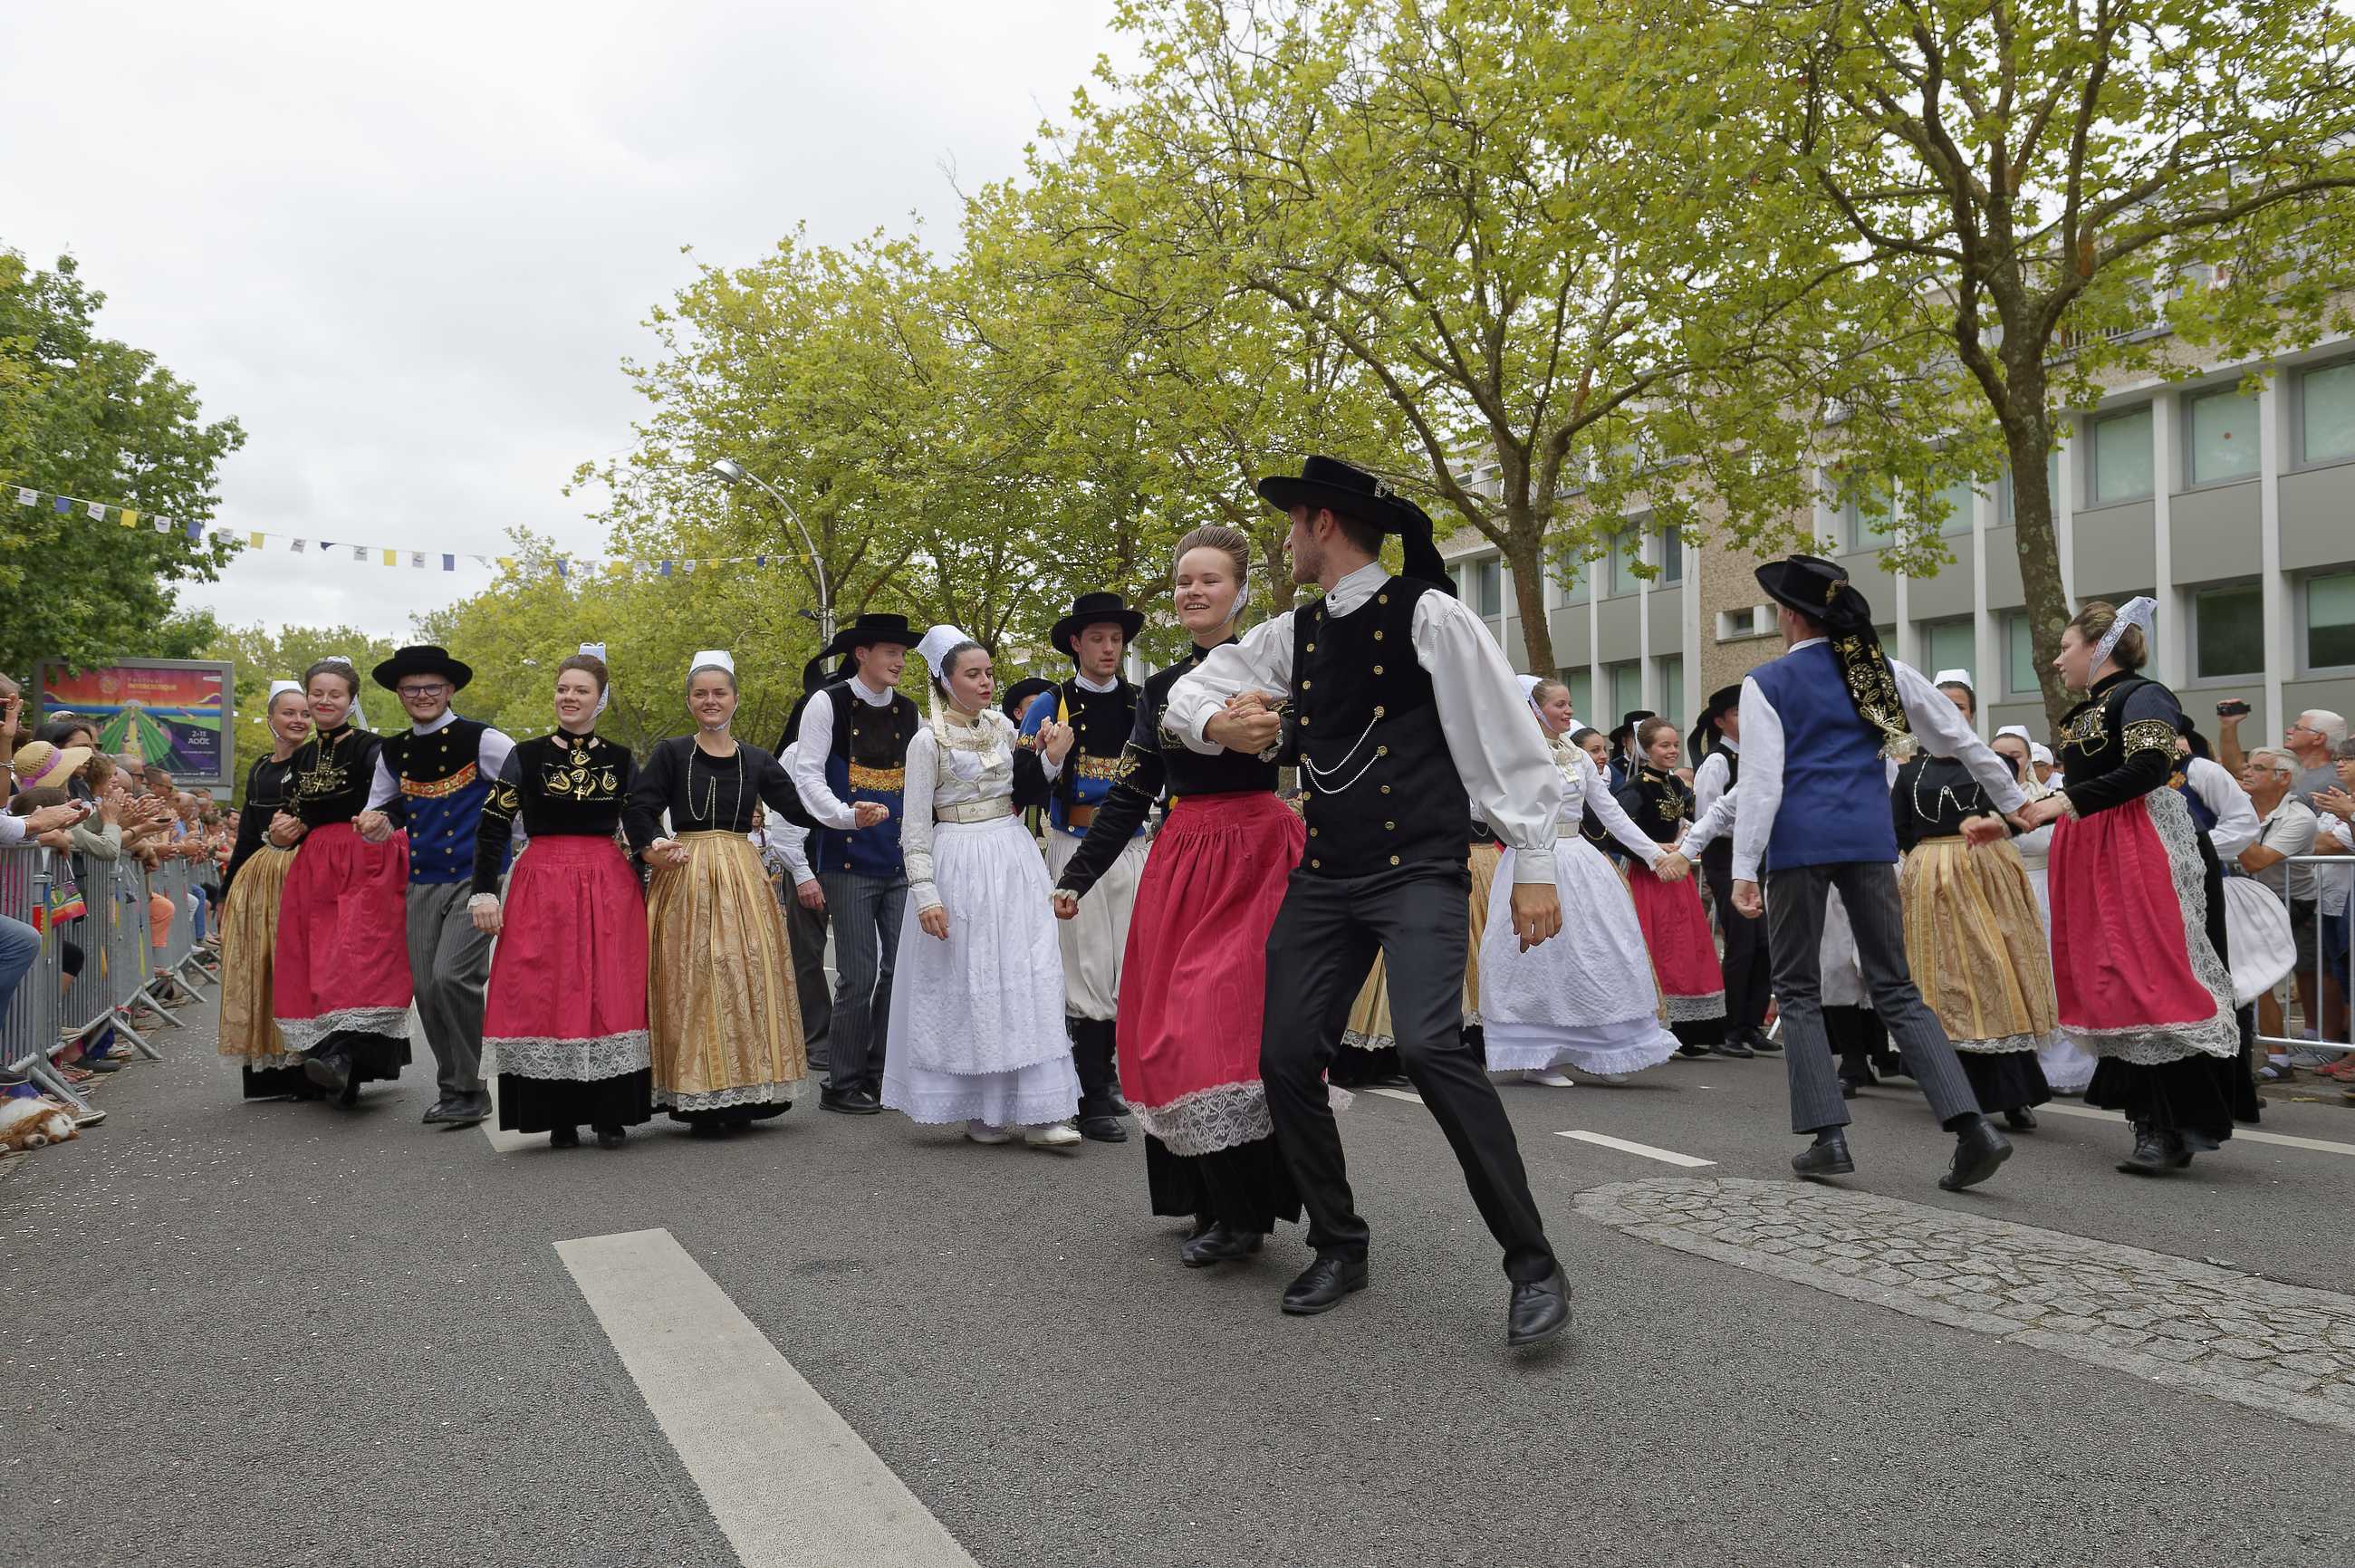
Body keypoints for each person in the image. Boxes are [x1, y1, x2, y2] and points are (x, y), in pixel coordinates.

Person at [1166, 455, 1572, 1348]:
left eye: (1288, 526)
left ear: (1319, 524)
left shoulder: (1429, 616)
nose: (1282, 543)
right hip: (1325, 878)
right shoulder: (1292, 635)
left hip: (1418, 870)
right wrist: (1216, 722)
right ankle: (1340, 1243)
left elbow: (1504, 742)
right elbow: (1192, 686)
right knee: (1282, 1059)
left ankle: (1534, 1265)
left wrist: (1533, 860)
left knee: (1431, 1049)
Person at [1729, 554, 2022, 1190]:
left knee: (1799, 989)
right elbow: (1962, 742)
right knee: (1895, 986)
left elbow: (1760, 785)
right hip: (1869, 838)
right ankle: (1973, 1127)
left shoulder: (1767, 682)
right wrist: (2018, 802)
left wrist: (1743, 866)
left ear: (1789, 616)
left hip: (1800, 841)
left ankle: (1827, 1135)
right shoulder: (1881, 671)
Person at [1053, 526, 1304, 1260]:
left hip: (1256, 859)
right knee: (1169, 1035)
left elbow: (1297, 747)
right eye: (1183, 581)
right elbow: (1130, 796)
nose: (1193, 591)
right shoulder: (1158, 690)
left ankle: (1251, 1211)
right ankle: (1208, 1203)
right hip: (1183, 864)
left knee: (1225, 1031)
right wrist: (1075, 877)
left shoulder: (1276, 674)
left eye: (1210, 580)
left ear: (1242, 592)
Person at [2014, 599, 2244, 1173]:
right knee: (2115, 980)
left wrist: (2064, 801)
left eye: (2066, 647)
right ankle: (2148, 1119)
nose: (2058, 658)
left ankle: (2175, 1125)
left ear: (2100, 649)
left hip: (2144, 851)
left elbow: (2145, 769)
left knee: (2156, 979)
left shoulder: (2144, 695)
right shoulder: (2081, 713)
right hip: (2098, 853)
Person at [881, 627, 1081, 1149]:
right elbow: (916, 825)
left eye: (990, 672)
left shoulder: (1000, 728)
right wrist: (925, 893)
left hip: (1012, 856)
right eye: (974, 674)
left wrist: (1052, 758)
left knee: (1027, 972)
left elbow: (1029, 789)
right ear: (946, 681)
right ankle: (982, 1109)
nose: (987, 682)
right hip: (958, 860)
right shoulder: (927, 742)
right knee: (970, 981)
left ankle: (1042, 1110)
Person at [468, 652, 651, 1150]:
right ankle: (558, 1115)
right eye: (563, 688)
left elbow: (637, 819)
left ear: (601, 700)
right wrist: (483, 890)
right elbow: (492, 827)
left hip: (608, 883)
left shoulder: (619, 757)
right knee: (543, 990)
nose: (569, 697)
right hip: (540, 883)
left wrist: (653, 847)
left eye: (581, 691)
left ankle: (611, 1113)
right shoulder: (524, 756)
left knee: (608, 991)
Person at [626, 651, 812, 1134]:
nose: (710, 701)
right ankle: (697, 1091)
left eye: (719, 692)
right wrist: (654, 845)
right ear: (690, 701)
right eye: (700, 693)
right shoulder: (670, 754)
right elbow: (640, 808)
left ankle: (746, 1089)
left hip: (743, 874)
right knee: (693, 975)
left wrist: (852, 815)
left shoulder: (757, 759)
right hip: (685, 870)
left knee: (747, 971)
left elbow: (800, 807)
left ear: (734, 699)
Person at [1480, 677, 1684, 1086]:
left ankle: (1608, 1048)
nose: (1569, 711)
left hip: (1580, 862)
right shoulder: (1514, 755)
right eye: (1560, 704)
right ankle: (1539, 1057)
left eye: (1569, 703)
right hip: (1533, 862)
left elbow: (1611, 814)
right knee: (1540, 960)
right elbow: (1484, 805)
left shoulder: (1577, 757)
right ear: (1533, 709)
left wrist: (1655, 854)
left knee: (1599, 952)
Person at [1889, 677, 2057, 1130]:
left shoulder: (1992, 761)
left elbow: (2016, 812)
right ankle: (1953, 1087)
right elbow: (1902, 830)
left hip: (1986, 869)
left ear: (1971, 714)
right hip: (1930, 878)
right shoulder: (1910, 773)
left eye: (1959, 706)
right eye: (1941, 705)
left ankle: (2015, 1091)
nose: (1950, 712)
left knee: (1997, 971)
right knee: (1942, 979)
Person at [360, 646, 515, 1129]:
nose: (422, 695)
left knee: (452, 976)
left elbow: (522, 794)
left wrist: (523, 850)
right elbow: (385, 808)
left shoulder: (485, 739)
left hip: (479, 878)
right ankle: (454, 1088)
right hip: (423, 880)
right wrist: (375, 823)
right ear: (399, 695)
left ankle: (471, 1088)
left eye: (431, 687)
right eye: (411, 688)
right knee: (427, 988)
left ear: (449, 690)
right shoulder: (392, 751)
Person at [1020, 591, 1151, 1142]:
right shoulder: (1050, 705)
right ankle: (1090, 1091)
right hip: (1077, 845)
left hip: (1136, 844)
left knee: (1130, 962)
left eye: (1116, 639)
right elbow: (1022, 789)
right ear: (1075, 643)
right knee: (1086, 965)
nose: (1108, 649)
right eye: (1097, 638)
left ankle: (1108, 1077)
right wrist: (1051, 756)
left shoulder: (1144, 702)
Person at [787, 612, 920, 1116]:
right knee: (858, 973)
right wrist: (844, 816)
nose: (899, 662)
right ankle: (840, 1083)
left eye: (903, 654)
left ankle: (881, 1072)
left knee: (897, 970)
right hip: (846, 861)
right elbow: (807, 776)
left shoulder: (911, 713)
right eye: (890, 652)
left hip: (899, 859)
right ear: (862, 653)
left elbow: (925, 781)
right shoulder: (828, 702)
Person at [270, 658, 414, 1104]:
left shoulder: (375, 749)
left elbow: (407, 798)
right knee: (320, 959)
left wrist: (383, 819)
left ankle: (344, 1056)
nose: (325, 701)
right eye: (317, 693)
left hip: (367, 857)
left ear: (351, 702)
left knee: (361, 959)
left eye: (335, 694)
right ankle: (332, 1059)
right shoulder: (303, 757)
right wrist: (279, 834)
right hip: (316, 864)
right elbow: (291, 816)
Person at [217, 682, 313, 1098]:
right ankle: (269, 1069)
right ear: (271, 718)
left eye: (305, 714)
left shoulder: (316, 763)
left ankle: (307, 1065)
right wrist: (225, 893)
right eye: (289, 713)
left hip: (303, 875)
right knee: (261, 969)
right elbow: (244, 840)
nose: (298, 720)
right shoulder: (259, 769)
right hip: (259, 879)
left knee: (299, 968)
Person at [1617, 718, 1735, 1057]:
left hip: (1676, 878)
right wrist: (1654, 850)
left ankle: (1689, 1030)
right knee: (1655, 947)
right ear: (1647, 749)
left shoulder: (1676, 785)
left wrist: (1682, 840)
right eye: (1663, 746)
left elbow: (1687, 821)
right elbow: (1620, 833)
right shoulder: (1636, 789)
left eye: (1674, 745)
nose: (1671, 751)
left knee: (1684, 948)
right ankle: (1653, 1025)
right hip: (1648, 878)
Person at [1691, 683, 1773, 1055]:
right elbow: (1709, 816)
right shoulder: (1719, 761)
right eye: (1738, 712)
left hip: (1758, 854)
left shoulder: (1759, 757)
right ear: (1721, 721)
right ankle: (1728, 1027)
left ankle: (1750, 1021)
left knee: (1764, 941)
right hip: (1725, 855)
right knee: (1740, 939)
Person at [2238, 747, 2320, 1052]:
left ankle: (2278, 1057)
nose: (2247, 773)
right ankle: (2265, 1052)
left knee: (2258, 977)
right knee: (2247, 976)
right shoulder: (2244, 805)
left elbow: (2256, 861)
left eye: (2258, 768)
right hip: (2251, 895)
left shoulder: (2299, 817)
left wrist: (2233, 814)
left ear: (2283, 778)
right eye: (2248, 766)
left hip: (2287, 900)